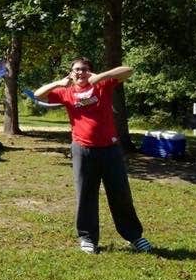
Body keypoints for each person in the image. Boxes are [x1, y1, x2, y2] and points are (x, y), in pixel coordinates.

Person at [33, 57, 151, 255]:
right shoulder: (66, 92)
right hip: (83, 149)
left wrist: (99, 78)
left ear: (90, 71)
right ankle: (87, 238)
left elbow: (128, 70)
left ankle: (134, 236)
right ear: (71, 74)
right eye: (76, 70)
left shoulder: (102, 86)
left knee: (120, 193)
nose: (80, 73)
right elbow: (38, 95)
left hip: (110, 149)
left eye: (84, 69)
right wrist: (59, 83)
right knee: (85, 195)